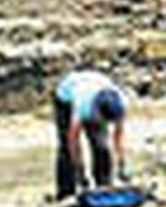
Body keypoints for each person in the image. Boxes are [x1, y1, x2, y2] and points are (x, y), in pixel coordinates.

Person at [52, 69, 128, 200]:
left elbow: (118, 135)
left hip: (95, 84)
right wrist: (79, 170)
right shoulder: (83, 106)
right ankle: (66, 192)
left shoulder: (121, 102)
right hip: (66, 95)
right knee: (65, 147)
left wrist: (122, 164)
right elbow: (73, 140)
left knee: (101, 144)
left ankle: (104, 184)